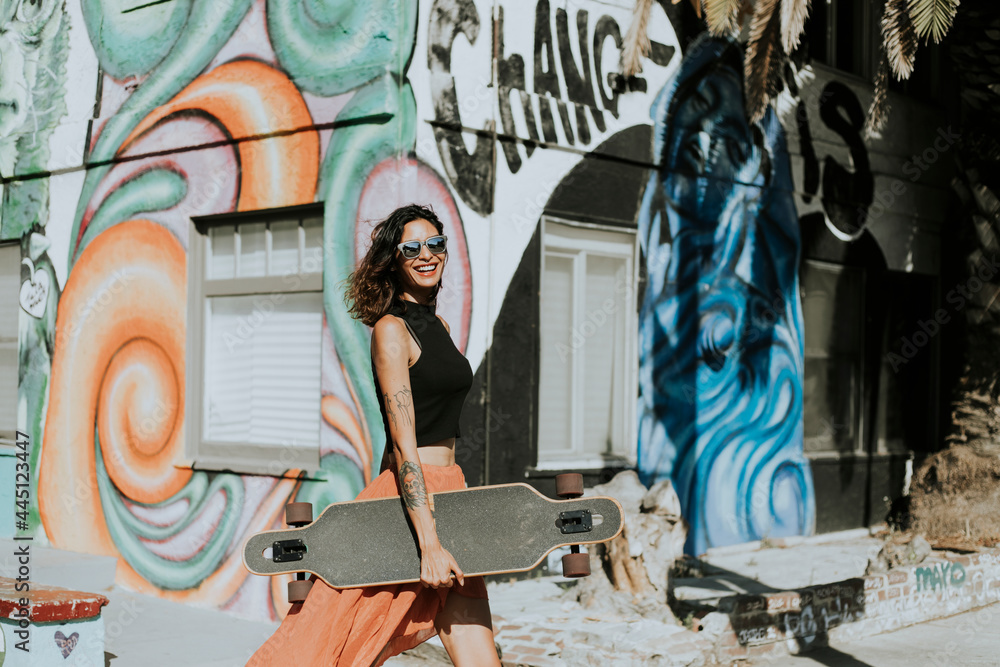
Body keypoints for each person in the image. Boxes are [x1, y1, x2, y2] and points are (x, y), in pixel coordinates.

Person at [247, 204, 500, 667]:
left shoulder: (439, 326)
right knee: (326, 646)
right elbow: (404, 445)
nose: (426, 255)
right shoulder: (390, 330)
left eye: (435, 244)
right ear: (395, 260)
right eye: (411, 248)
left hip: (452, 494)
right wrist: (428, 543)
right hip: (408, 507)